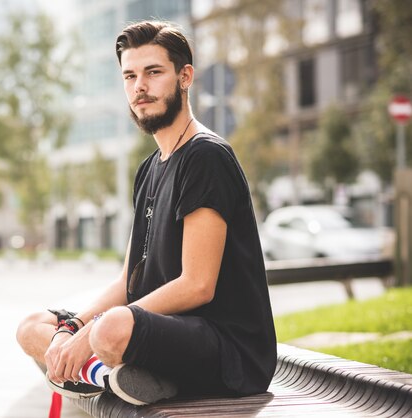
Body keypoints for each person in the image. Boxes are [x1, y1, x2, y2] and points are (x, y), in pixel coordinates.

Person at [16, 20, 277, 406]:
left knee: (111, 328)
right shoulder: (149, 168)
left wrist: (91, 334)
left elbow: (197, 284)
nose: (140, 86)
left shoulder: (206, 156)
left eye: (153, 72)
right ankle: (115, 376)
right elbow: (128, 280)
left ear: (184, 76)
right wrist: (71, 328)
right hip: (161, 332)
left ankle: (99, 372)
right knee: (33, 327)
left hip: (228, 349)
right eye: (130, 76)